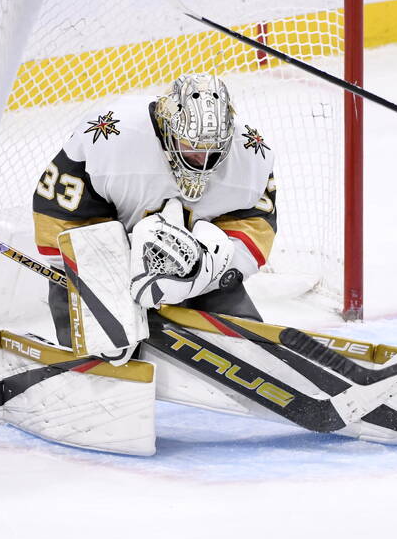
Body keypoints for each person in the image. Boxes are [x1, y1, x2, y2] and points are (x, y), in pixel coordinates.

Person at [32, 72, 278, 347]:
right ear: (168, 127)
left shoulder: (251, 154)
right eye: (190, 147)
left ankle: (248, 348)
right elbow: (57, 218)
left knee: (247, 346)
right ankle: (90, 361)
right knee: (102, 347)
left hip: (196, 268)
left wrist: (206, 269)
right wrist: (119, 271)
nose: (203, 159)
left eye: (214, 149)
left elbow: (257, 225)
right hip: (108, 270)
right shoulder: (112, 138)